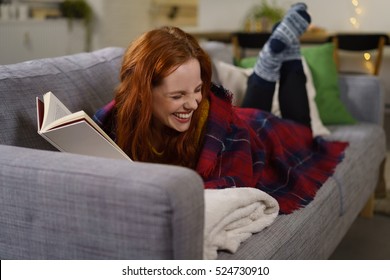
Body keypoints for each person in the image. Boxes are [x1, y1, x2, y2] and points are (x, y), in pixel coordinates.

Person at [93, 3, 348, 214]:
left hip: (261, 132)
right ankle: (271, 63)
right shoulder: (120, 116)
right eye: (178, 95)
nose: (193, 103)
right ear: (142, 94)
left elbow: (234, 185)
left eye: (197, 90)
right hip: (245, 123)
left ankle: (287, 55)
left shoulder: (222, 133)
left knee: (304, 134)